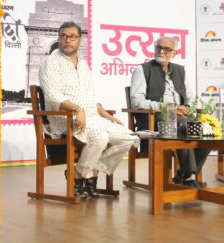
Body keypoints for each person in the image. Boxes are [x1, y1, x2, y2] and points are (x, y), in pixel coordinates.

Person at [39, 21, 138, 199]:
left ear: (80, 40)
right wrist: (78, 110)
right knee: (100, 137)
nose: (67, 40)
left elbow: (90, 100)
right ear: (59, 39)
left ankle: (84, 171)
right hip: (66, 119)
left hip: (92, 118)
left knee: (129, 137)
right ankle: (83, 177)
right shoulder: (51, 62)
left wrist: (108, 116)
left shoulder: (83, 64)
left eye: (72, 37)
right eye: (63, 36)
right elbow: (53, 96)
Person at [130, 36, 209, 187]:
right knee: (182, 125)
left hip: (181, 116)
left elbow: (191, 98)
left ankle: (185, 174)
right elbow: (136, 101)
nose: (161, 51)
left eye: (166, 49)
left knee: (205, 128)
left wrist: (188, 108)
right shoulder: (142, 70)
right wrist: (167, 107)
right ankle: (189, 176)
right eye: (158, 48)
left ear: (175, 53)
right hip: (156, 118)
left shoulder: (180, 71)